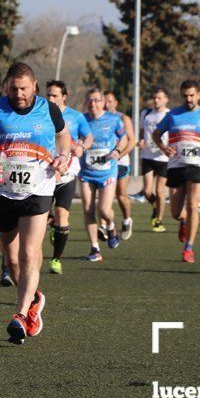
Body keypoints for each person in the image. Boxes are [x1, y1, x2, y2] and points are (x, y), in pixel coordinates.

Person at [0, 63, 69, 344]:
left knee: (28, 252)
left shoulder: (48, 109)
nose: (19, 94)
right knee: (10, 258)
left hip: (39, 188)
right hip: (2, 191)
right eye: (13, 88)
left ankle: (20, 315)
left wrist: (63, 155)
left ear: (34, 86)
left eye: (24, 88)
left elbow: (62, 135)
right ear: (5, 87)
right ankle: (34, 299)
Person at [152, 80, 200, 263]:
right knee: (176, 213)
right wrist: (163, 148)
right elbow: (156, 134)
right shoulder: (173, 115)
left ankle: (189, 248)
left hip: (197, 165)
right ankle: (183, 222)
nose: (189, 99)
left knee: (193, 205)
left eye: (192, 95)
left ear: (198, 95)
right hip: (176, 165)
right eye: (185, 95)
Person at [45, 80, 92, 275]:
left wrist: (82, 147)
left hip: (67, 175)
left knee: (63, 215)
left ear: (64, 96)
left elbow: (88, 137)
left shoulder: (76, 117)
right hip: (45, 176)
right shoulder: (41, 113)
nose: (50, 98)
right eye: (48, 94)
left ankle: (56, 259)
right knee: (42, 219)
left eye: (55, 95)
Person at [79, 89, 127, 262]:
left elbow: (124, 139)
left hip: (107, 171)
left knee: (104, 210)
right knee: (88, 210)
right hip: (86, 172)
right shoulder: (82, 119)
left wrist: (117, 151)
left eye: (97, 100)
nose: (93, 104)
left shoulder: (114, 120)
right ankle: (95, 248)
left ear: (103, 102)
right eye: (90, 101)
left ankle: (111, 226)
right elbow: (71, 138)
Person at [104, 92, 136, 240]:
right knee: (105, 197)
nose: (107, 105)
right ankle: (106, 226)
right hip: (104, 163)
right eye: (105, 102)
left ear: (116, 103)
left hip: (120, 161)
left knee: (121, 195)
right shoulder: (99, 119)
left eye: (110, 101)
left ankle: (126, 220)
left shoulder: (123, 118)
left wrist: (119, 155)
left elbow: (131, 142)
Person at [138, 88, 170, 232]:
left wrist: (169, 148)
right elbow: (142, 131)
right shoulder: (146, 114)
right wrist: (140, 140)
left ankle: (158, 220)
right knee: (146, 191)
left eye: (159, 98)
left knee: (159, 190)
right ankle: (156, 206)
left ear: (166, 100)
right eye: (155, 98)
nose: (156, 100)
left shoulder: (169, 115)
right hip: (147, 156)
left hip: (163, 157)